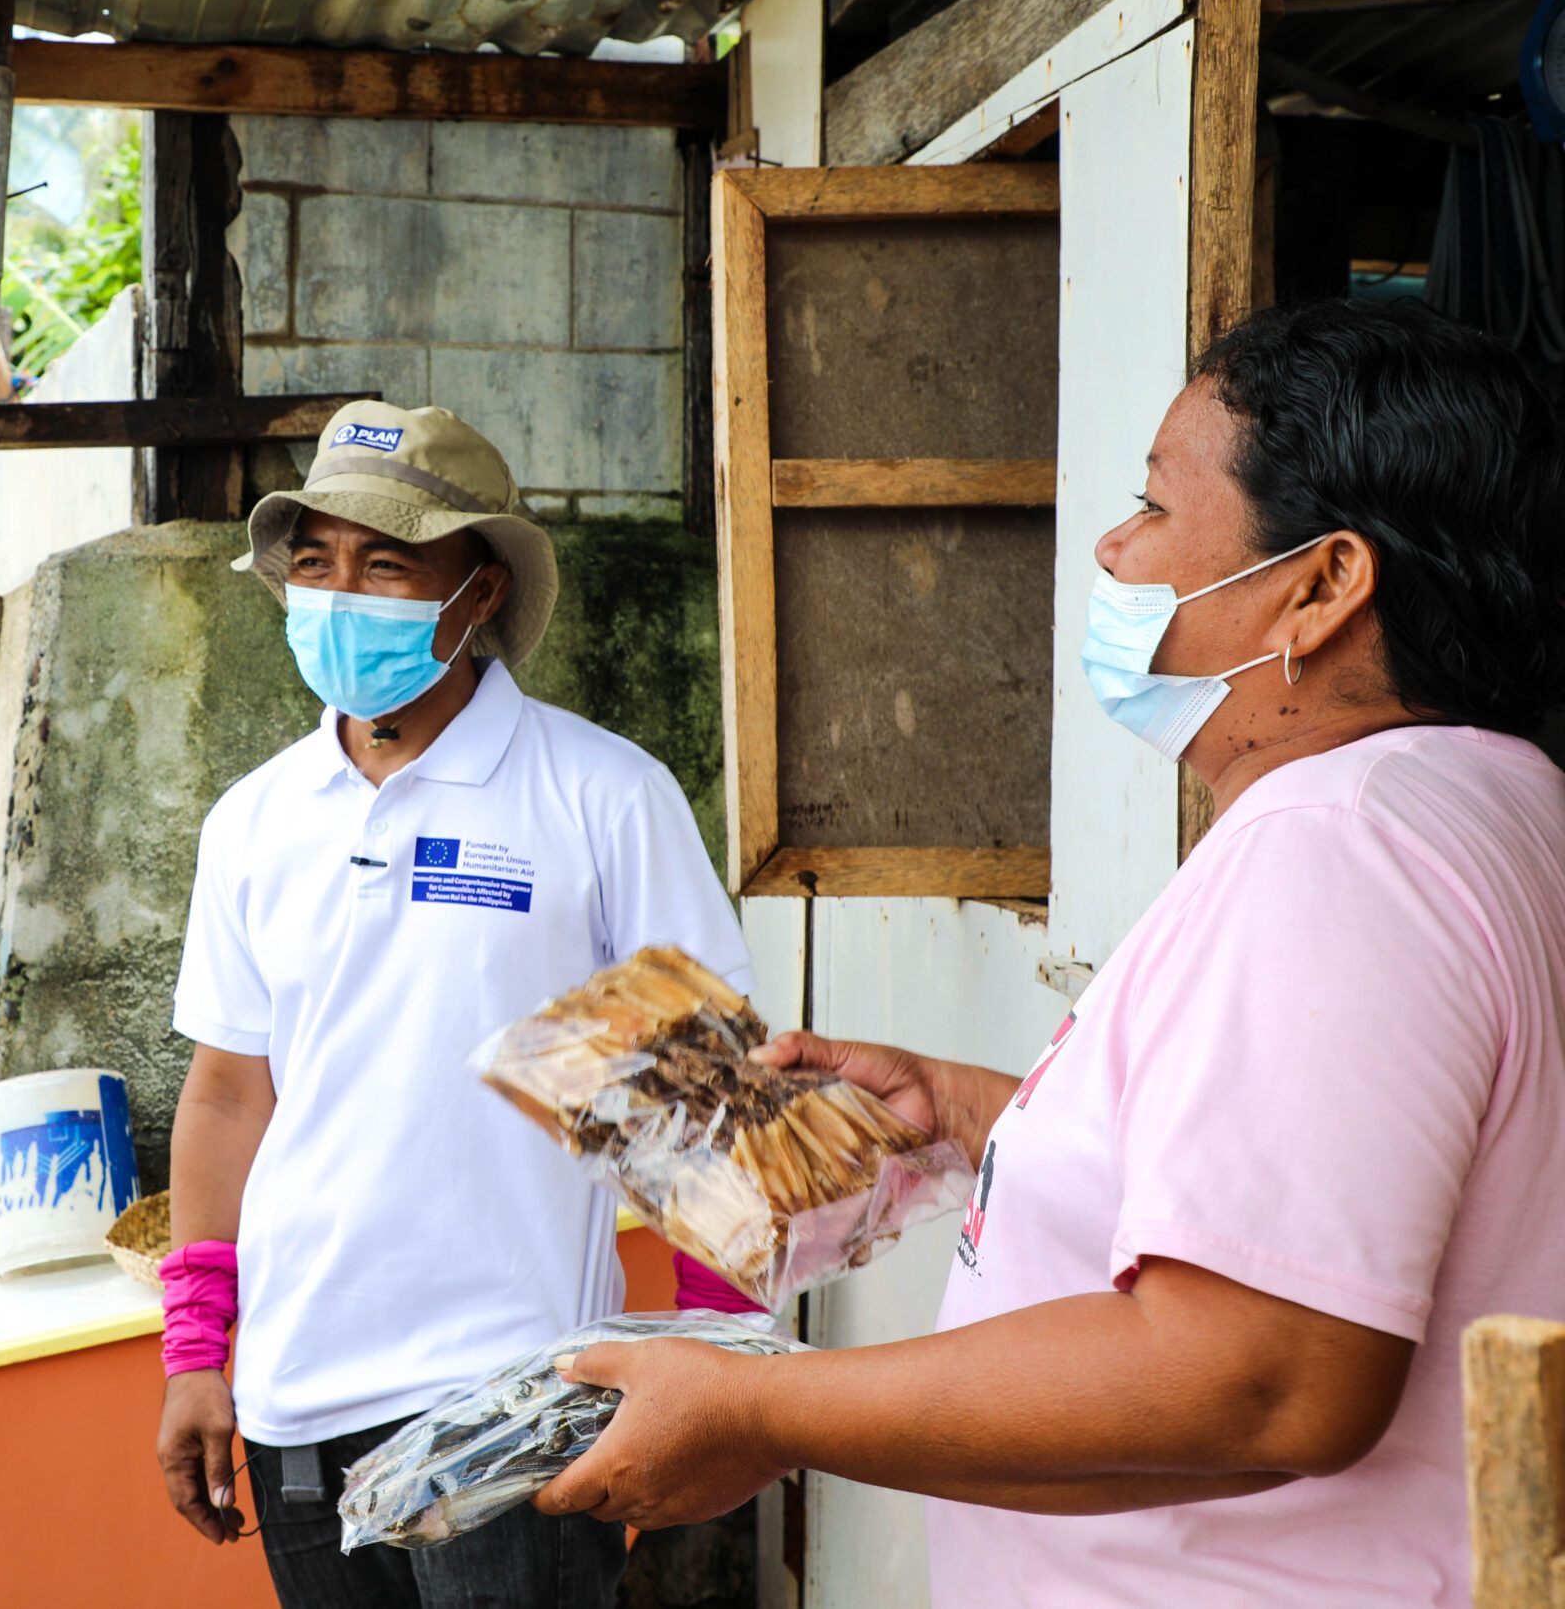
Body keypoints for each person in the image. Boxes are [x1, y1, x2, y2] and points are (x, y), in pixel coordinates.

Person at [531, 298, 1565, 1609]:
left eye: (1153, 504)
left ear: (1321, 583)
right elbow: (1341, 1205)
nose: (1113, 543)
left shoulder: (1335, 838)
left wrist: (766, 1406)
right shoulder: (1497, 799)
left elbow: (1265, 1371)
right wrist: (979, 1116)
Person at [152, 401, 758, 1608]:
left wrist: (723, 1371)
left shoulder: (601, 798)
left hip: (515, 1405)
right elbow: (227, 1099)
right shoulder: (256, 821)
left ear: (477, 593)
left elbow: (714, 1090)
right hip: (293, 1406)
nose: (340, 590)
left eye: (386, 561)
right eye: (314, 561)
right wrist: (195, 1355)